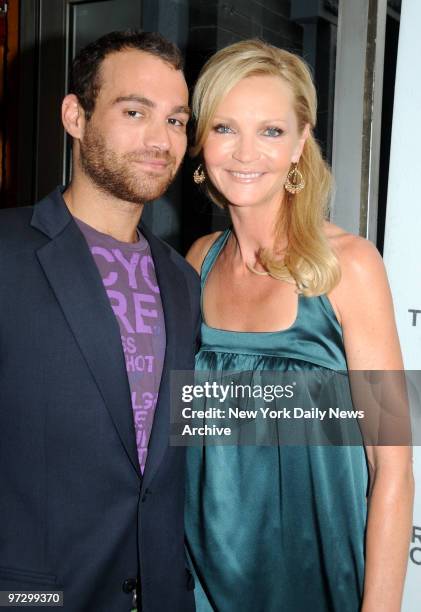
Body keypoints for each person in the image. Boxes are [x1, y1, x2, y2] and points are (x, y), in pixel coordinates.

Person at [185, 39, 414, 612]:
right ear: (202, 139)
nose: (244, 153)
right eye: (225, 128)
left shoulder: (349, 267)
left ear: (300, 144)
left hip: (316, 582)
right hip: (199, 583)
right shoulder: (198, 261)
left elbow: (393, 464)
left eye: (270, 131)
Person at [0, 31, 199, 612]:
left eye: (177, 120)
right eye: (135, 111)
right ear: (75, 116)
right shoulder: (6, 252)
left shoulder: (184, 281)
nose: (161, 139)